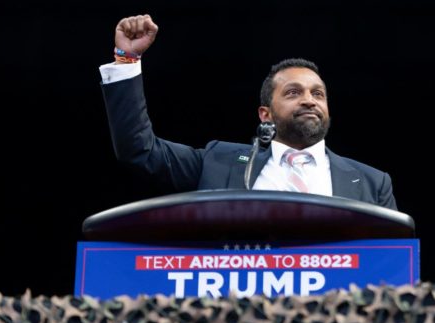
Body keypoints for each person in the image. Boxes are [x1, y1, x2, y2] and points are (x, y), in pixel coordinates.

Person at [99, 14, 398, 210]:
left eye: (317, 93)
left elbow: (393, 263)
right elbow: (139, 149)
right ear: (264, 114)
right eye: (293, 92)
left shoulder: (371, 183)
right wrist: (127, 60)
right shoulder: (218, 162)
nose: (309, 100)